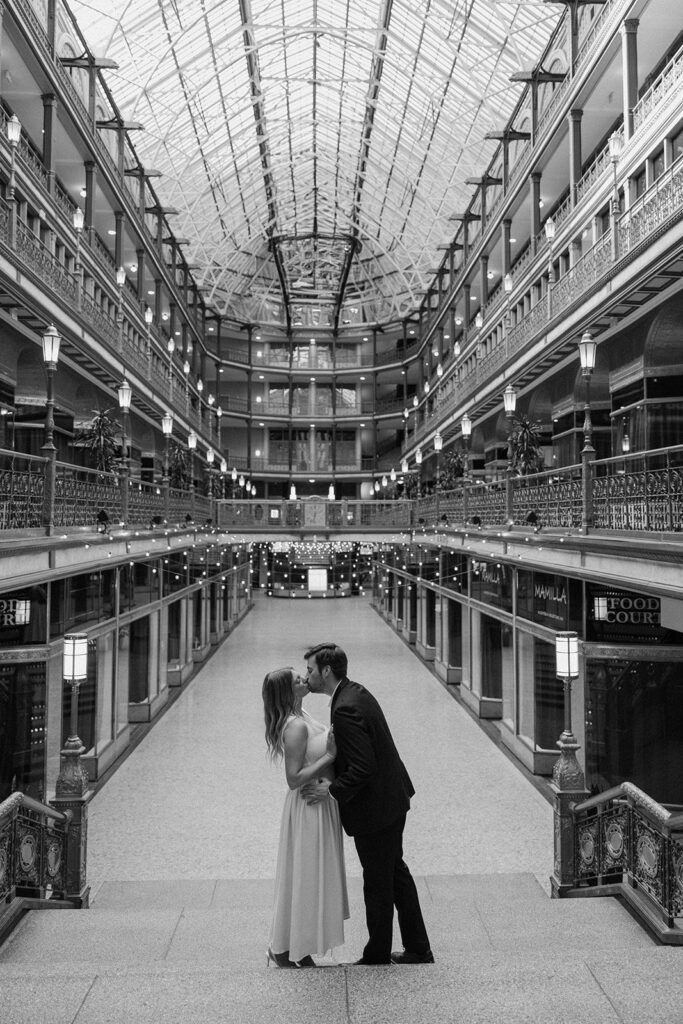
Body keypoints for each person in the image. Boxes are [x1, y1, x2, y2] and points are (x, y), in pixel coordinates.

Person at [302, 642, 433, 966]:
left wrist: (332, 791)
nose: (307, 677)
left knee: (378, 881)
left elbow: (362, 767)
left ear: (326, 671)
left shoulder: (345, 707)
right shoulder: (353, 692)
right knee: (395, 874)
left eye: (310, 670)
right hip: (391, 800)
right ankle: (418, 948)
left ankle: (377, 954)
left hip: (376, 809)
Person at [262, 666, 349, 968]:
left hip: (319, 803)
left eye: (302, 675)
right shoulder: (295, 727)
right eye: (297, 680)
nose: (305, 681)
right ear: (288, 692)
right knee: (305, 876)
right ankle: (287, 947)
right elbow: (293, 778)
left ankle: (292, 945)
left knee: (306, 875)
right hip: (308, 805)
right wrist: (329, 757)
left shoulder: (303, 716)